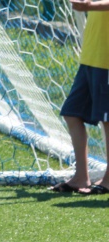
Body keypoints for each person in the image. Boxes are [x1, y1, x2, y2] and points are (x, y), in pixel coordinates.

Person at [50, 0, 109, 194]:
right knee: (72, 113)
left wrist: (89, 6)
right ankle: (81, 177)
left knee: (107, 120)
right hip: (91, 56)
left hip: (106, 59)